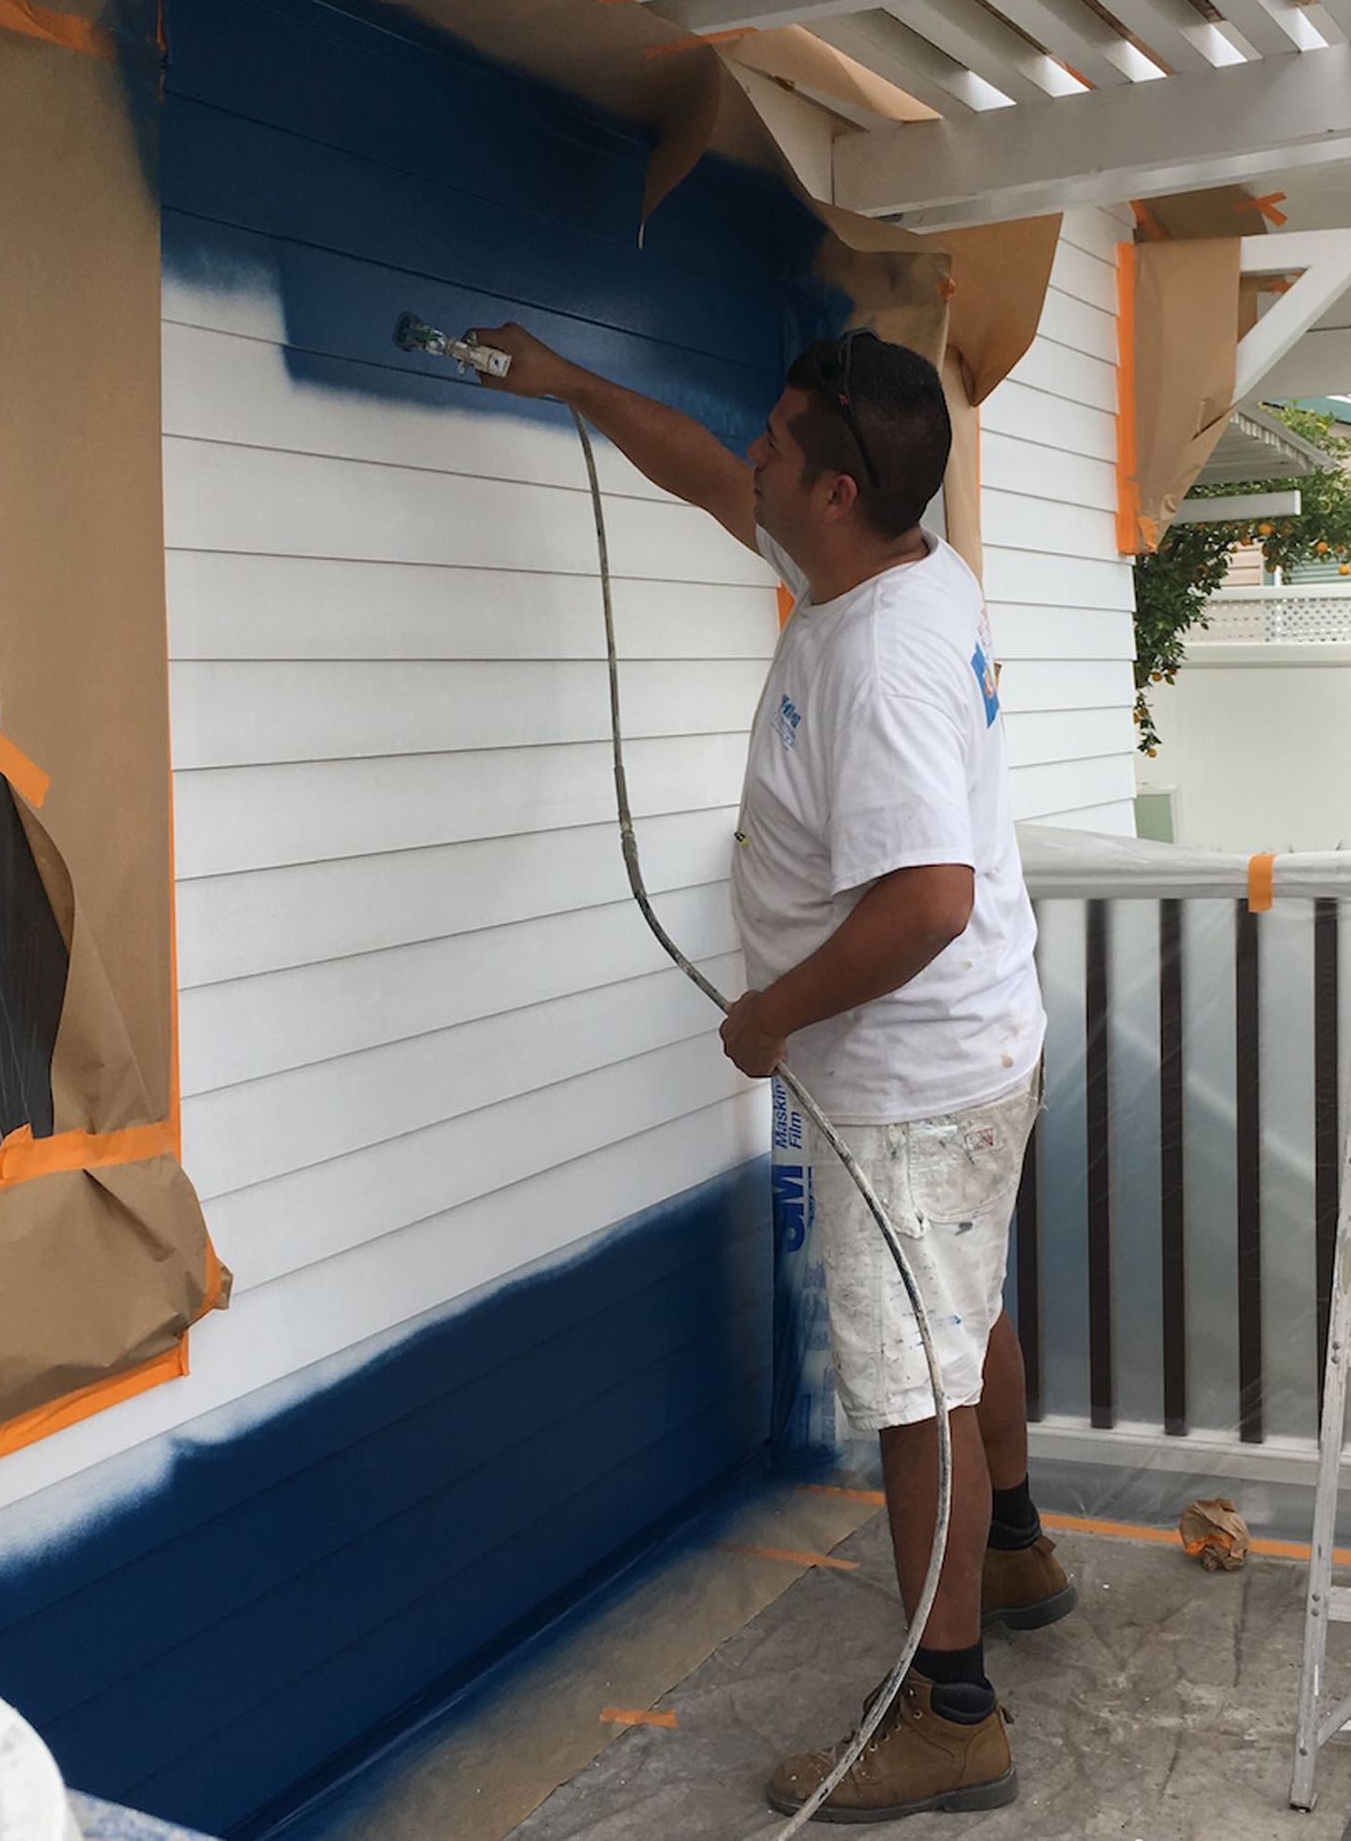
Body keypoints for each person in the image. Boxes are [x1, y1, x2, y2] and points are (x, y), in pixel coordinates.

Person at [470, 320, 1073, 1823]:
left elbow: (926, 900)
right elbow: (707, 478)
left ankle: (952, 1713)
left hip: (911, 1082)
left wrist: (771, 1018)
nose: (753, 451)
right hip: (977, 1048)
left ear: (836, 493)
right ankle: (1014, 1555)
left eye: (778, 442)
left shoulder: (878, 660)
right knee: (963, 1312)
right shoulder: (901, 566)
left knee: (914, 1384)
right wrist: (575, 386)